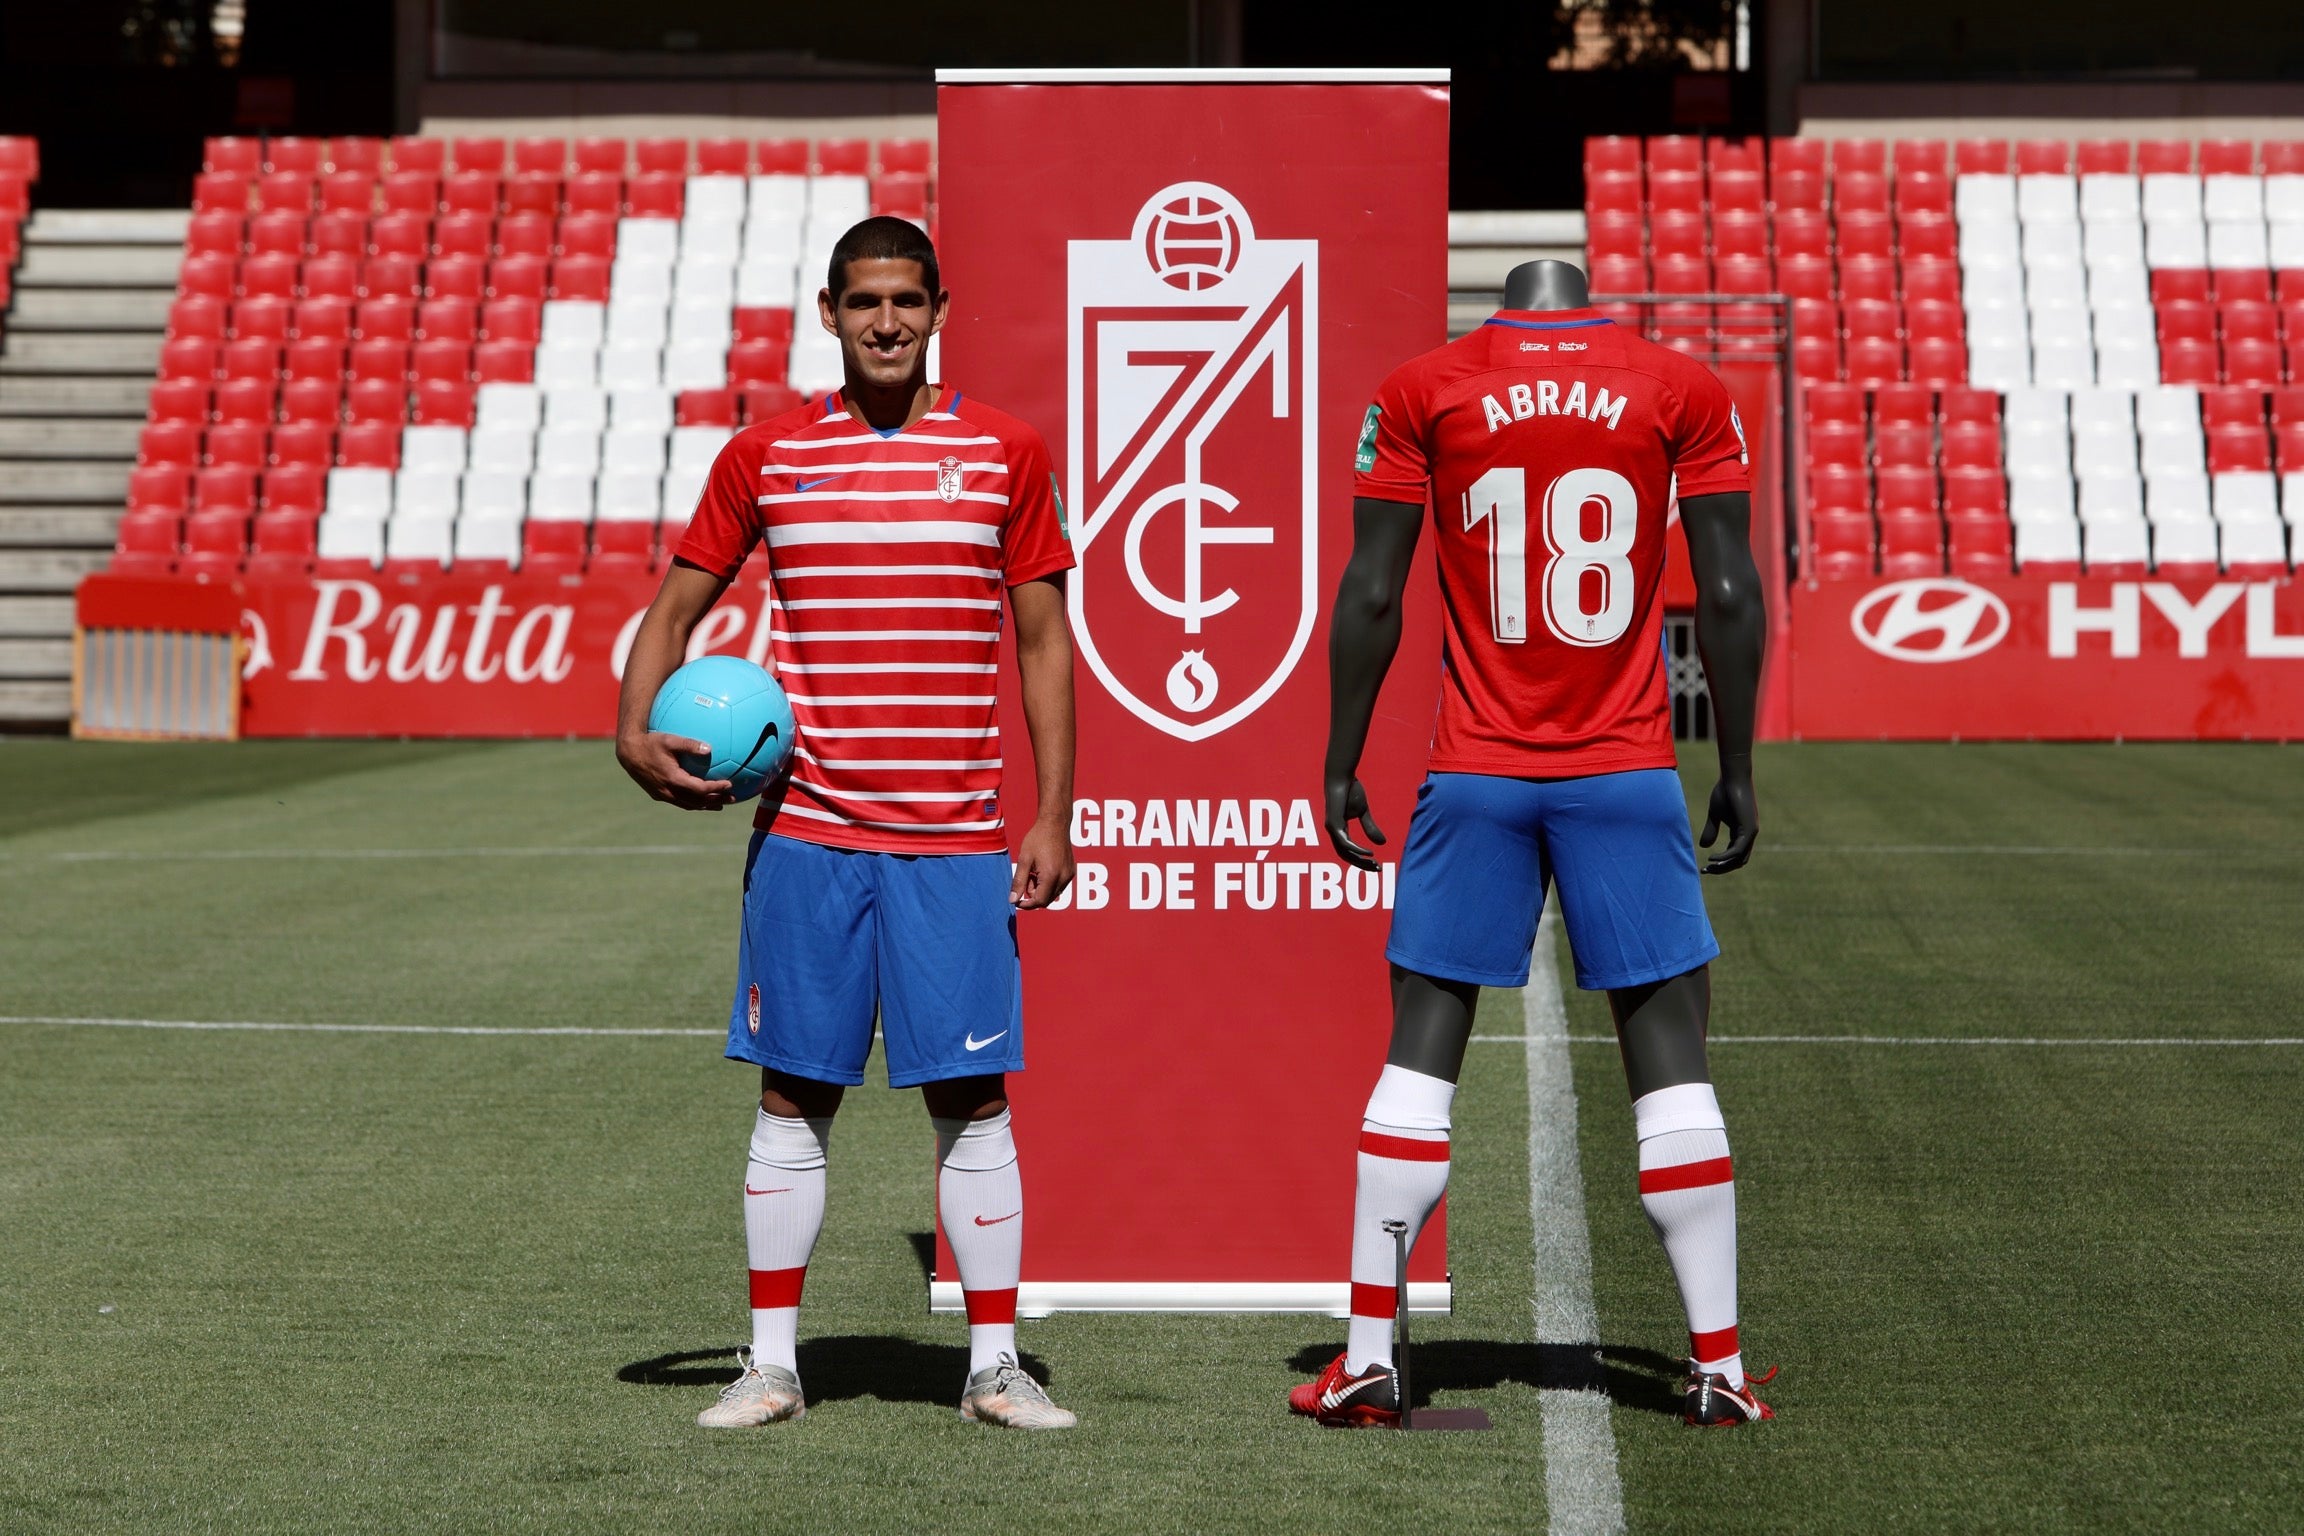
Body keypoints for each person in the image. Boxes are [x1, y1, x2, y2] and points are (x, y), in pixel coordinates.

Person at [1290, 260, 1773, 1429]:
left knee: (1419, 1055)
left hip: (1478, 769)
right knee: (1671, 1068)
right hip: (1625, 770)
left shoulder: (1425, 388)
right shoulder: (1680, 385)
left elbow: (1369, 592)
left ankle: (1366, 1355)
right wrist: (1741, 764)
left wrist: (1341, 753)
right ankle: (1719, 1368)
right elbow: (1728, 587)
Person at [616, 217, 1080, 1431]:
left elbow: (1042, 643)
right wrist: (630, 729)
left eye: (907, 302)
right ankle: (772, 1363)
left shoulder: (1005, 451)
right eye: (864, 301)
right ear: (828, 312)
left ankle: (993, 1367)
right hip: (810, 837)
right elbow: (673, 611)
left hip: (958, 840)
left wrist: (1056, 814)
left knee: (971, 1101)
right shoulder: (767, 456)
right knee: (792, 1097)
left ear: (939, 310)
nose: (886, 322)